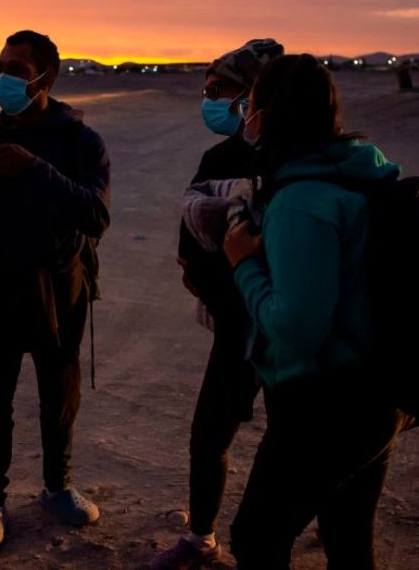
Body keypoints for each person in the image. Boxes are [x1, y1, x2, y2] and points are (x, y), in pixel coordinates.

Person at [222, 54, 409, 569]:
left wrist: (243, 267)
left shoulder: (302, 200)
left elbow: (296, 327)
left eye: (251, 106)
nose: (245, 117)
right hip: (378, 389)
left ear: (272, 113)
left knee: (257, 539)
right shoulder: (359, 174)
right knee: (348, 539)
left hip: (326, 403)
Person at [0, 30, 110, 549]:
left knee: (60, 395)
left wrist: (33, 168)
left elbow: (96, 215)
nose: (4, 78)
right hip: (1, 285)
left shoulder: (81, 141)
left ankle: (58, 486)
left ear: (45, 78)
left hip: (61, 287)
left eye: (15, 68)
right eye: (0, 67)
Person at [151, 38, 283, 570]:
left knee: (293, 443)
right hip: (236, 327)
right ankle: (201, 534)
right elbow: (191, 246)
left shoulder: (297, 159)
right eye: (206, 90)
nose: (210, 100)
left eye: (221, 91)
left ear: (254, 96)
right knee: (209, 435)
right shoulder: (218, 158)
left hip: (292, 328)